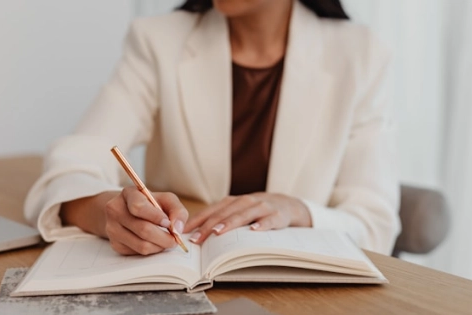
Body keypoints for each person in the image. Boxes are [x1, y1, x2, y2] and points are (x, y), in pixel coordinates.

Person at [24, 0, 401, 257]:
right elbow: (74, 161)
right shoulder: (159, 40)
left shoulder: (360, 54)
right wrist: (107, 214)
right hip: (176, 281)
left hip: (297, 299)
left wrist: (299, 209)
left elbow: (375, 223)